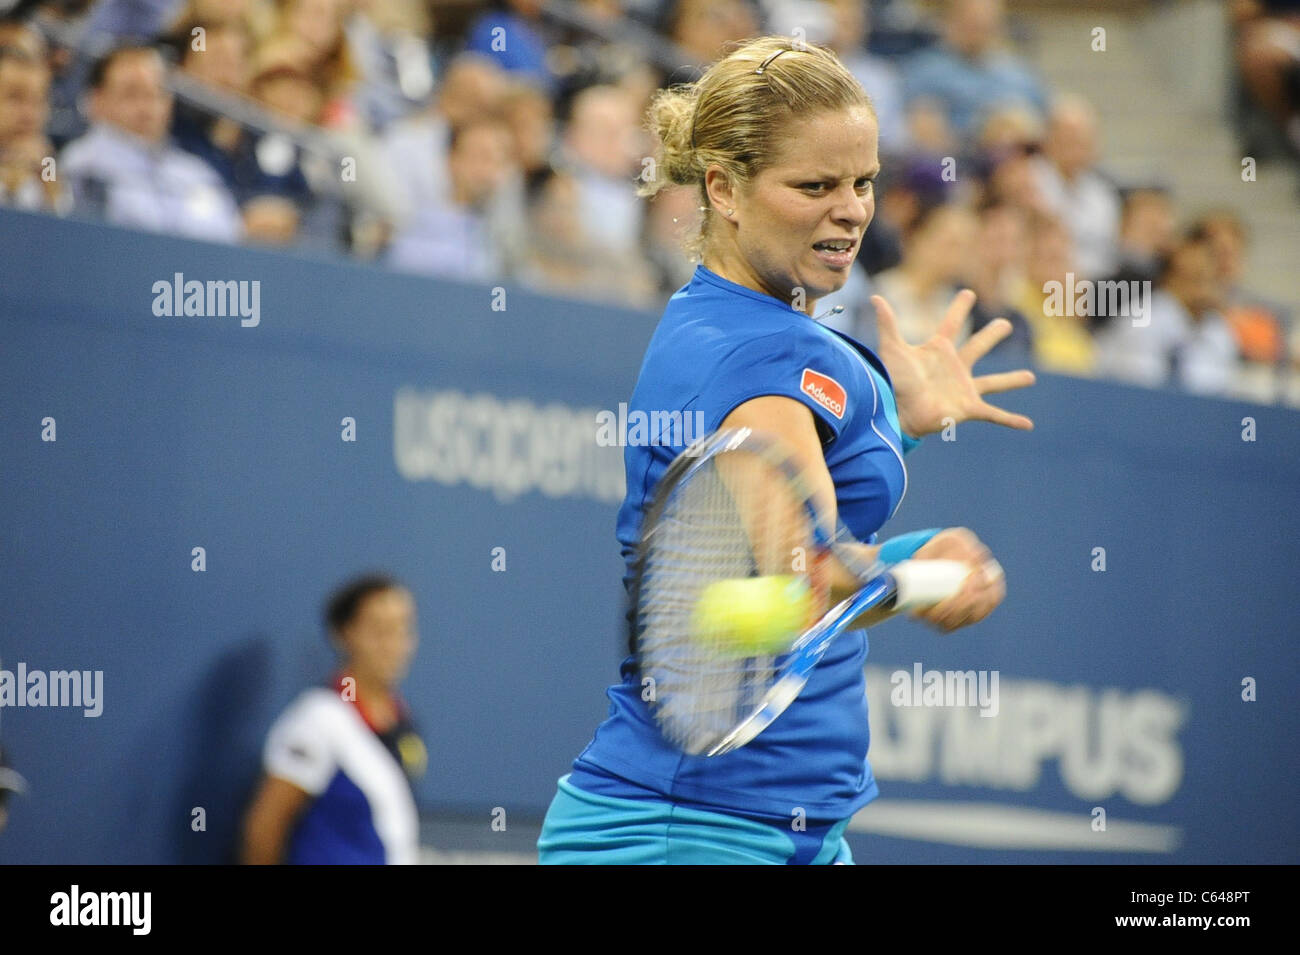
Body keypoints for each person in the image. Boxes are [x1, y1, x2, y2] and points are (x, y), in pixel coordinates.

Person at [537, 36, 1035, 866]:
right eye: (814, 186)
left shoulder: (747, 325)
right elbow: (803, 576)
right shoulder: (759, 357)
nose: (851, 209)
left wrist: (898, 421)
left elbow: (774, 531)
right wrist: (922, 565)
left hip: (789, 826)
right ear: (725, 189)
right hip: (681, 832)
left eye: (863, 181)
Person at [241, 574, 425, 864]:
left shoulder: (402, 722)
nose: (394, 644)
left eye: (403, 629)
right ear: (344, 634)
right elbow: (265, 826)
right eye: (379, 630)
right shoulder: (317, 719)